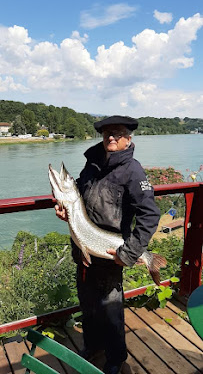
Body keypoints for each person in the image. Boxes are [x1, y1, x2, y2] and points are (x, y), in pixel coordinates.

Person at [55, 115, 160, 374]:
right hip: (84, 249)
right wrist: (65, 210)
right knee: (88, 304)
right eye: (106, 133)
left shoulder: (133, 171)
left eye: (117, 132)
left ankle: (115, 358)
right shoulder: (91, 165)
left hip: (112, 254)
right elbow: (78, 193)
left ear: (128, 138)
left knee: (110, 310)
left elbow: (150, 215)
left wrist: (129, 253)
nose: (110, 137)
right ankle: (93, 345)